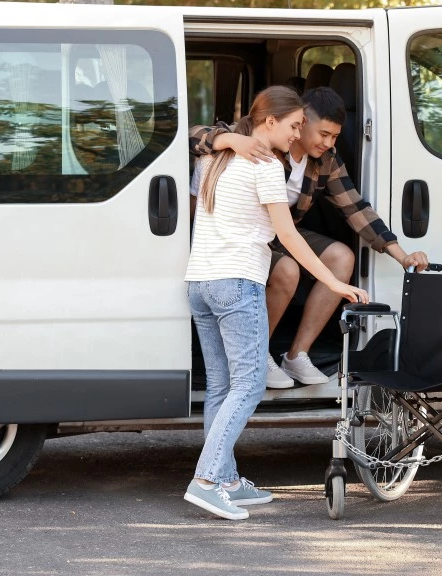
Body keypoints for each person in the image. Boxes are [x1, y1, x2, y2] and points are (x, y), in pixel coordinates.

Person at [183, 86, 368, 521]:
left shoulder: (213, 158)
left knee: (221, 386)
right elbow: (288, 236)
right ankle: (206, 481)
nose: (297, 134)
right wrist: (334, 283)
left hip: (200, 283)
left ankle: (225, 478)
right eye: (294, 125)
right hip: (237, 282)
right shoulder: (266, 165)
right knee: (247, 385)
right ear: (269, 122)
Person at [189, 86, 428, 389]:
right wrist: (230, 139)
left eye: (335, 137)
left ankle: (296, 353)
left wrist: (402, 255)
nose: (329, 144)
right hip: (249, 233)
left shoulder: (325, 160)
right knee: (287, 271)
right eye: (323, 134)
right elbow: (193, 135)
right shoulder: (258, 138)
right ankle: (259, 354)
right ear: (301, 121)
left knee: (342, 256)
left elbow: (355, 208)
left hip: (282, 230)